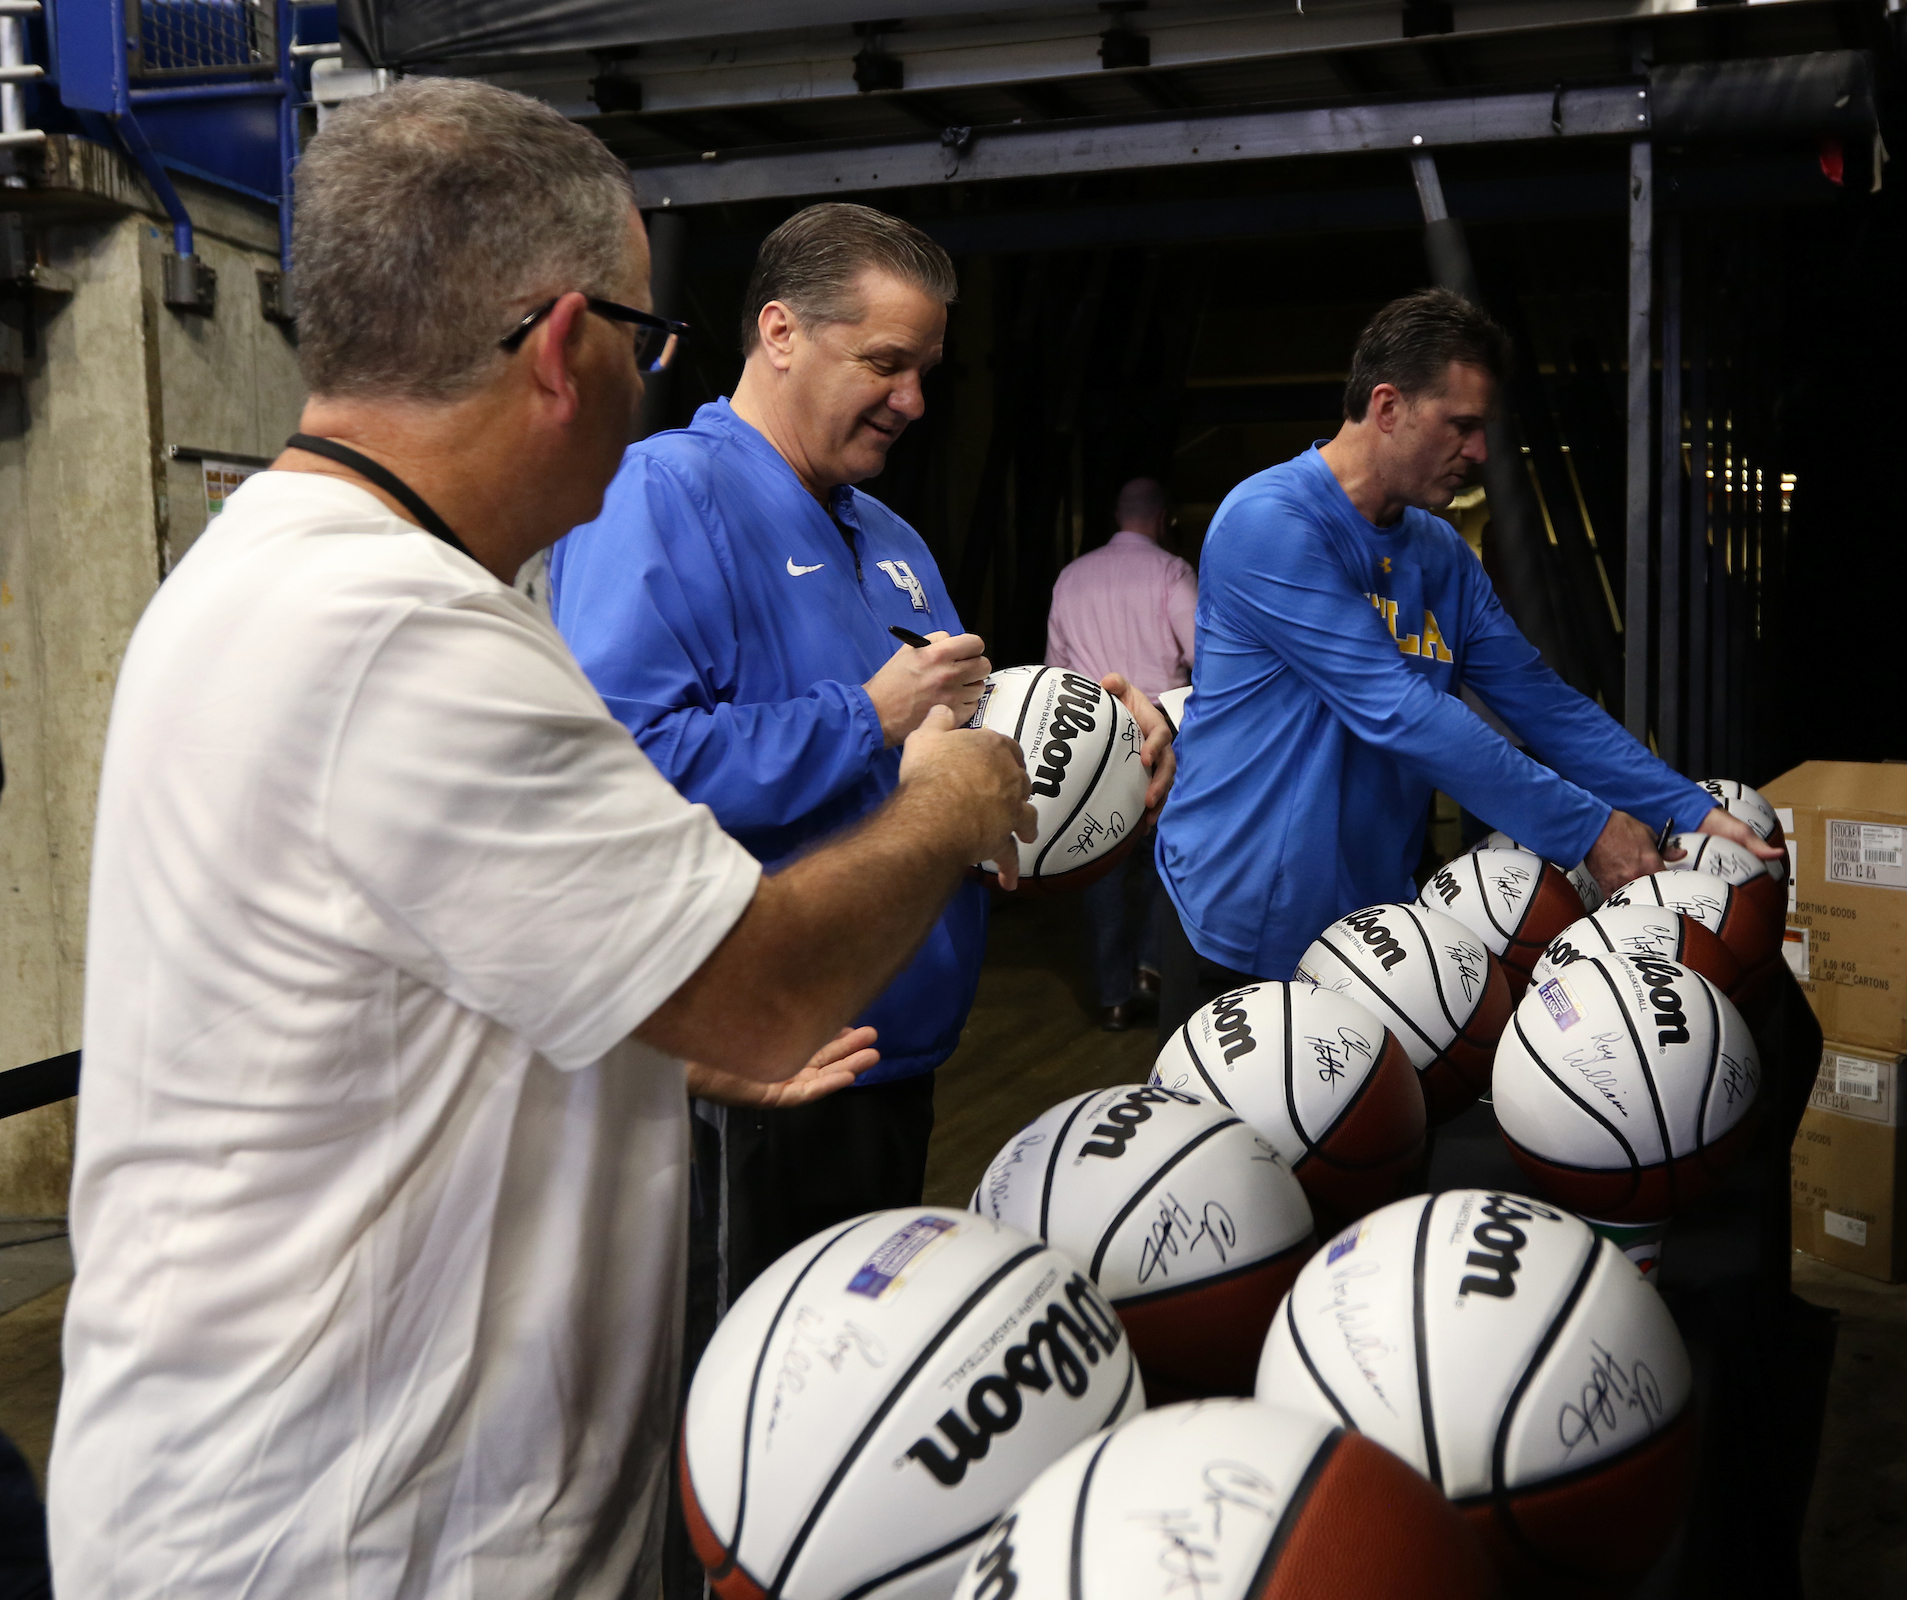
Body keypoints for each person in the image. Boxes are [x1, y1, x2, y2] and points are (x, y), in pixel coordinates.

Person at [47, 80, 1035, 1599]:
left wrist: (645, 1034)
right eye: (650, 344)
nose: (654, 386)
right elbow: (767, 984)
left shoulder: (274, 572)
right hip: (366, 1537)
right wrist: (951, 798)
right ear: (572, 345)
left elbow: (388, 978)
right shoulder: (403, 636)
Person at [547, 207, 1172, 1323]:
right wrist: (864, 717)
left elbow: (939, 751)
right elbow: (625, 764)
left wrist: (1088, 737)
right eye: (885, 363)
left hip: (899, 1061)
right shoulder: (664, 494)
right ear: (779, 332)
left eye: (926, 370)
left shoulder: (892, 536)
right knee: (756, 1432)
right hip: (766, 1077)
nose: (915, 401)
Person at [1154, 289, 1778, 1031]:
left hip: (1371, 925)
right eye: (1462, 426)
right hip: (1241, 916)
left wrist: (1687, 809)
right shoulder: (1270, 523)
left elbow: (1542, 704)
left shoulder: (1440, 554)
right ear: (1388, 407)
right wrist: (1588, 828)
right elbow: (1402, 711)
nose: (1479, 452)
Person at [1045, 476, 1196, 1029]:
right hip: (1159, 729)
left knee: (1098, 860)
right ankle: (1152, 966)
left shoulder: (1071, 578)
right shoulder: (1171, 573)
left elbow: (1054, 669)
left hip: (1086, 733)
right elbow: (1205, 658)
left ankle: (1111, 996)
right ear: (1162, 520)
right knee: (1169, 853)